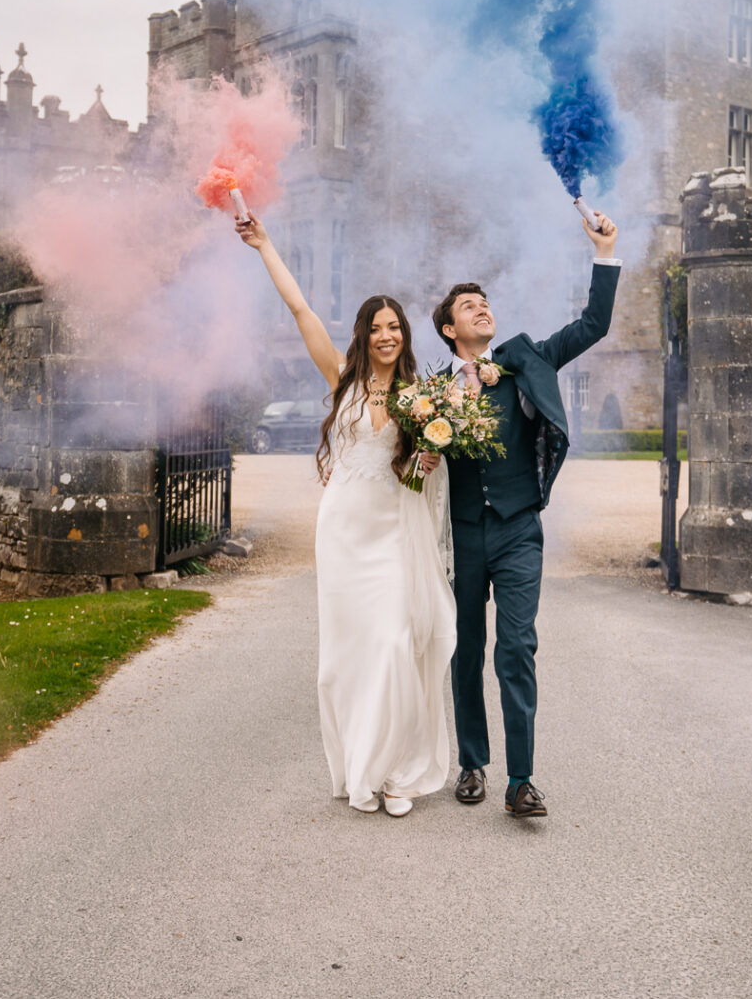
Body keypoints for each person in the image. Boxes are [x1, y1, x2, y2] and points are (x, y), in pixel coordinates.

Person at [236, 212, 456, 816]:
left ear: (406, 335)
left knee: (393, 643)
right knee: (350, 655)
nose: (386, 336)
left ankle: (395, 775)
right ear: (363, 334)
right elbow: (300, 308)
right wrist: (265, 246)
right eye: (376, 327)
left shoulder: (422, 396)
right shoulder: (342, 377)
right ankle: (362, 769)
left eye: (395, 328)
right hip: (343, 531)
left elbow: (418, 468)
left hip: (393, 532)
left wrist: (427, 465)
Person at [433, 212, 619, 818]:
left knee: (515, 646)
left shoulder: (528, 360)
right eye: (468, 305)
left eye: (485, 302)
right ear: (448, 327)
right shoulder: (430, 391)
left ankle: (520, 780)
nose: (482, 309)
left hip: (518, 529)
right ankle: (470, 764)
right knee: (465, 647)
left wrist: (605, 251)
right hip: (461, 533)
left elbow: (593, 323)